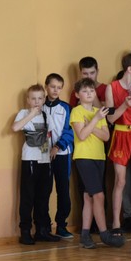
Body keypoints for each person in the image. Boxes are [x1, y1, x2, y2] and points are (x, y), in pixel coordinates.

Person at [70, 78, 124, 249]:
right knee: (99, 196)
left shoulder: (98, 111)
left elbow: (106, 136)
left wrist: (92, 125)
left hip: (99, 157)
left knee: (89, 197)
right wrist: (95, 121)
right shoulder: (77, 111)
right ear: (77, 95)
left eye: (91, 91)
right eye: (85, 91)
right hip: (84, 157)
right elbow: (82, 135)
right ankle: (104, 233)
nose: (89, 94)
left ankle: (85, 235)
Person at [12, 84, 60, 244]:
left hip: (45, 160)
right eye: (33, 98)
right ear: (28, 100)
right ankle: (25, 231)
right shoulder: (23, 113)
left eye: (40, 98)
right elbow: (15, 127)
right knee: (28, 197)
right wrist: (31, 114)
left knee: (43, 196)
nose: (37, 101)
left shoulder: (46, 116)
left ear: (44, 99)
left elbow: (50, 134)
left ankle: (42, 229)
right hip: (30, 159)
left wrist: (53, 149)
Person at [105, 53, 131, 234]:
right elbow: (110, 118)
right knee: (120, 181)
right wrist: (125, 105)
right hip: (121, 134)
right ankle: (116, 223)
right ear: (130, 69)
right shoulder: (112, 87)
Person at [43, 73, 75, 239]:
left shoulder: (66, 108)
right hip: (43, 156)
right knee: (44, 190)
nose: (55, 90)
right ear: (46, 87)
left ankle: (61, 225)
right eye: (52, 87)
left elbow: (69, 131)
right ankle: (44, 226)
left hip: (62, 154)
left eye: (59, 87)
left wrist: (57, 147)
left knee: (63, 190)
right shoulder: (39, 106)